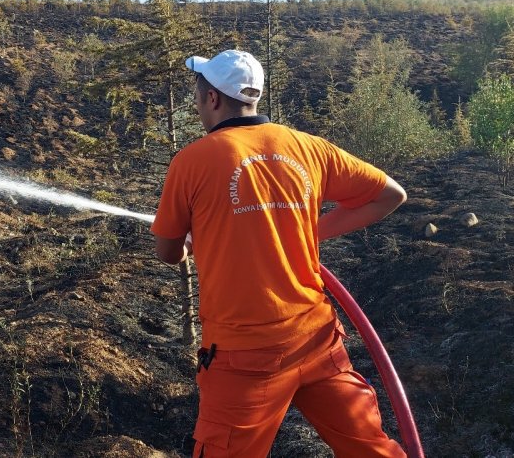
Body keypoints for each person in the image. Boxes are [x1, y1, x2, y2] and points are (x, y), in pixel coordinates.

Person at [151, 49, 408, 457]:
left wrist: (185, 244)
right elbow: (390, 195)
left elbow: (168, 253)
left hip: (243, 357)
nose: (197, 103)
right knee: (370, 450)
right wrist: (309, 232)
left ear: (213, 99)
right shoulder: (309, 148)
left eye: (198, 95)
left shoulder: (192, 161)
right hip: (318, 341)